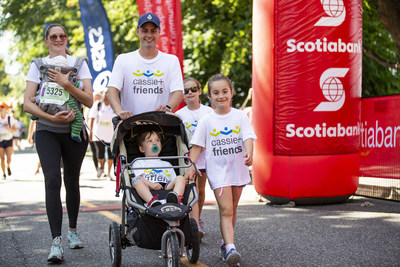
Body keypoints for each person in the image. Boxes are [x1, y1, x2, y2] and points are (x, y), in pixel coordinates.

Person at [23, 23, 93, 264]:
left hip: (74, 133)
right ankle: (56, 242)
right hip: (47, 130)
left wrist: (66, 83)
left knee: (71, 181)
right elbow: (27, 103)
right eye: (53, 36)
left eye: (62, 35)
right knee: (52, 179)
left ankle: (72, 230)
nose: (58, 39)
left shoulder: (79, 63)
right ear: (46, 41)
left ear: (66, 39)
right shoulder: (38, 65)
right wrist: (51, 117)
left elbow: (90, 100)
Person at [184, 74, 257, 266]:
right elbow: (197, 147)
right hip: (218, 172)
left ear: (231, 92)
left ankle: (225, 243)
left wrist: (249, 154)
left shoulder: (240, 116)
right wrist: (190, 166)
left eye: (225, 91)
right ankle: (231, 248)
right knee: (226, 209)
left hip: (239, 171)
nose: (221, 96)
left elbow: (248, 137)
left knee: (232, 210)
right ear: (209, 95)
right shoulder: (207, 121)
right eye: (216, 93)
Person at [107, 12, 183, 119]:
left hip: (161, 125)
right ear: (137, 32)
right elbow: (111, 90)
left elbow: (178, 92)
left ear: (159, 32)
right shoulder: (123, 59)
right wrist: (120, 112)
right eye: (144, 31)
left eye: (153, 31)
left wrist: (168, 107)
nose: (149, 35)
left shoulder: (171, 61)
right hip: (131, 124)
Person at [175, 77, 213, 240]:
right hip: (188, 160)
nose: (190, 93)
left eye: (193, 89)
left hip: (206, 158)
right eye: (186, 91)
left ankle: (198, 219)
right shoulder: (178, 115)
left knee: (202, 191)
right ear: (183, 95)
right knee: (193, 191)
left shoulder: (209, 112)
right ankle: (194, 224)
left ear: (200, 90)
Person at [130, 130, 188, 207]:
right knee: (136, 180)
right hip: (148, 188)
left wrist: (182, 182)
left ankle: (176, 199)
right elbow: (138, 177)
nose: (154, 143)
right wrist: (151, 185)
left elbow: (173, 180)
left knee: (180, 178)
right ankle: (152, 202)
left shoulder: (167, 164)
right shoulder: (138, 162)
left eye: (157, 140)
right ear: (142, 149)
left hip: (166, 187)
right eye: (149, 141)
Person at [88, 89, 116, 180]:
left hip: (110, 134)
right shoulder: (98, 105)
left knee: (111, 154)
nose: (107, 95)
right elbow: (91, 119)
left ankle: (109, 173)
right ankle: (101, 167)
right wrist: (90, 132)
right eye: (105, 93)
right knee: (100, 152)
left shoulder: (114, 105)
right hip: (99, 133)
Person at [84, 91, 102, 174]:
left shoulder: (100, 107)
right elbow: (87, 120)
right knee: (95, 151)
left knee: (99, 150)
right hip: (90, 132)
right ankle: (97, 167)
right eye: (97, 97)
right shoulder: (89, 108)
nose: (98, 99)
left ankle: (101, 167)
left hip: (99, 132)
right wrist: (89, 132)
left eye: (99, 97)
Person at [0, 102, 16, 179]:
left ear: (5, 108)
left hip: (9, 139)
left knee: (9, 158)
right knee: (2, 158)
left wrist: (8, 128)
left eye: (2, 107)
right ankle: (4, 174)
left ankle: (8, 166)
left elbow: (14, 130)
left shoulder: (9, 118)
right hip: (1, 140)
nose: (0, 108)